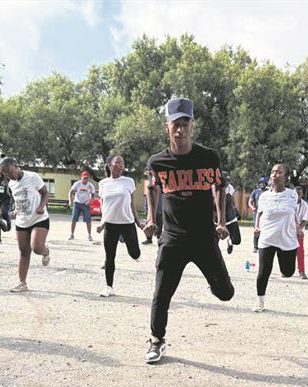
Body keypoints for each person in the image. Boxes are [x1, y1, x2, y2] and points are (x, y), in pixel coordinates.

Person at [143, 97, 233, 363]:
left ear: (192, 125)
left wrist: (221, 221)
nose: (180, 130)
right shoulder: (157, 162)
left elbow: (219, 187)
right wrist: (151, 218)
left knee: (226, 294)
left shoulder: (208, 157)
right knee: (162, 292)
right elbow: (152, 188)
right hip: (173, 238)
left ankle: (213, 283)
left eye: (185, 123)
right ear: (167, 127)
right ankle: (156, 340)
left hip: (204, 237)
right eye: (175, 124)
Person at [253, 164, 302, 311]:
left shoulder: (292, 195)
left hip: (287, 238)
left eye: (279, 172)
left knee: (288, 272)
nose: (275, 174)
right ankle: (259, 300)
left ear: (286, 178)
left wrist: (298, 227)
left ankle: (284, 265)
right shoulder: (264, 196)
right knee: (263, 271)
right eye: (273, 172)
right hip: (267, 238)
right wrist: (257, 226)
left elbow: (293, 213)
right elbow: (260, 213)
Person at [0, 157, 50, 292]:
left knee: (36, 248)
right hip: (22, 220)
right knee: (24, 251)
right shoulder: (11, 184)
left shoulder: (32, 177)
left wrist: (41, 206)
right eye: (6, 174)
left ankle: (45, 251)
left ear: (15, 165)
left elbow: (45, 194)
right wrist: (15, 210)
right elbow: (18, 199)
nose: (10, 176)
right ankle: (22, 283)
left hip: (39, 218)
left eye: (10, 172)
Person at [97, 155, 141, 297]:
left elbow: (132, 204)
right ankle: (108, 287)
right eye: (118, 162)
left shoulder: (129, 181)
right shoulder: (103, 183)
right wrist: (102, 223)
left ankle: (129, 246)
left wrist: (138, 223)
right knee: (109, 257)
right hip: (110, 225)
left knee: (134, 253)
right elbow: (104, 205)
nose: (121, 165)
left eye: (123, 163)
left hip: (127, 223)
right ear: (110, 165)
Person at [216, 172, 241, 255]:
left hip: (230, 217)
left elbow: (232, 200)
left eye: (228, 180)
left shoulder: (230, 187)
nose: (227, 182)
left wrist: (236, 210)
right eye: (225, 180)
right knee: (213, 242)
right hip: (216, 219)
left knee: (236, 240)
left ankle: (229, 241)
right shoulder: (213, 188)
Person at [69, 171, 96, 241]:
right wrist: (70, 201)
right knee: (74, 219)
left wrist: (90, 202)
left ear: (88, 178)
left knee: (88, 220)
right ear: (81, 178)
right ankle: (72, 234)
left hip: (86, 204)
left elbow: (93, 195)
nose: (85, 179)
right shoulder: (77, 184)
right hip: (77, 203)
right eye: (84, 178)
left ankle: (89, 235)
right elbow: (70, 192)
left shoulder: (90, 185)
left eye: (87, 178)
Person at [248, 176, 269, 253]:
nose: (262, 184)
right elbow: (250, 201)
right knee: (257, 229)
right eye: (261, 183)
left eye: (264, 183)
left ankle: (263, 247)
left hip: (266, 213)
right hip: (256, 213)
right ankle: (255, 247)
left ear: (266, 184)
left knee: (265, 230)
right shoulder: (255, 192)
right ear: (259, 184)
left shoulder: (269, 192)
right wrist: (252, 207)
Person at [294, 185, 308, 279]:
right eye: (295, 193)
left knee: (300, 252)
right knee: (286, 251)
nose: (297, 195)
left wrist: (298, 229)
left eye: (299, 194)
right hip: (288, 231)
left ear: (302, 194)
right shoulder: (288, 203)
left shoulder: (304, 205)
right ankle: (286, 270)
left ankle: (301, 271)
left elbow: (305, 219)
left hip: (299, 231)